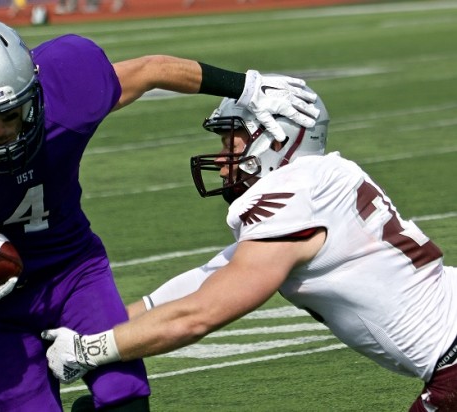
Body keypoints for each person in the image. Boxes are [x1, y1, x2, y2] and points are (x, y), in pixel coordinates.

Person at [0, 18, 319, 412]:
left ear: (34, 91)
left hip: (74, 270)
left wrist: (246, 86)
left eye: (12, 114)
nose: (0, 132)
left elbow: (153, 69)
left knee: (126, 400)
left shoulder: (68, 91)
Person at [42, 89, 457, 411]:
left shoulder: (294, 195)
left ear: (277, 140)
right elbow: (200, 284)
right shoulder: (322, 178)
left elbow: (201, 314)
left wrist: (91, 350)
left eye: (232, 143)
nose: (223, 161)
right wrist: (96, 329)